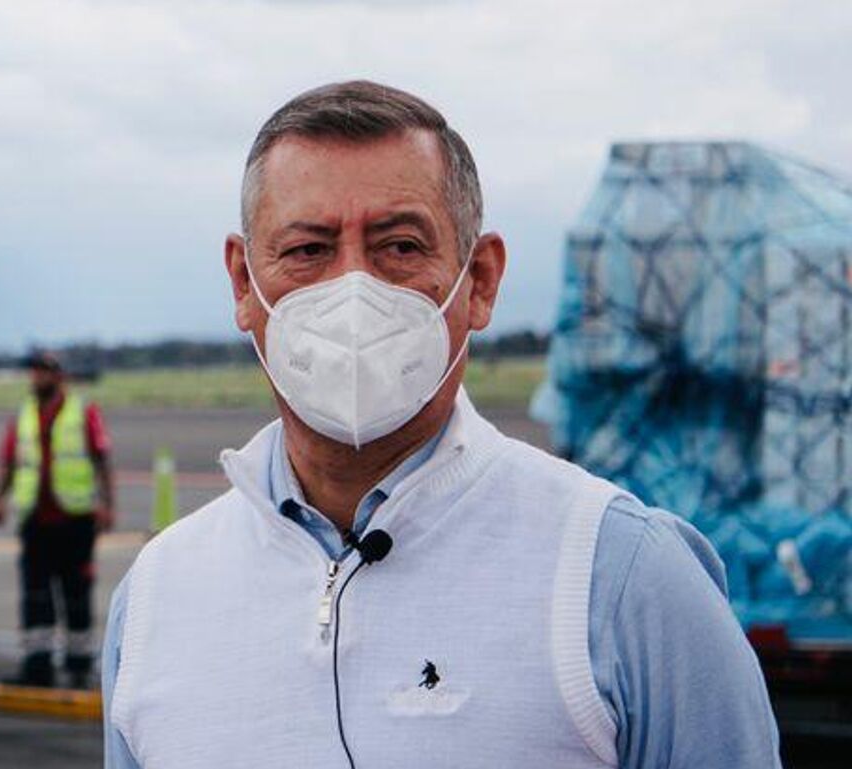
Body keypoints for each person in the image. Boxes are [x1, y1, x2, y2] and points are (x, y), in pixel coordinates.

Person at [102, 81, 779, 768]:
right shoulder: (157, 600)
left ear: (479, 279)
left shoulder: (622, 577)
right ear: (245, 285)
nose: (353, 289)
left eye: (399, 245)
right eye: (308, 250)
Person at [0, 350, 116, 689]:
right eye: (32, 372)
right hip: (35, 518)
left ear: (57, 376)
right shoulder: (23, 416)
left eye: (42, 372)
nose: (35, 378)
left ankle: (78, 666)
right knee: (35, 595)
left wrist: (107, 504)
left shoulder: (82, 412)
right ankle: (37, 665)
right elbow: (10, 462)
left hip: (74, 518)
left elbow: (101, 460)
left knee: (76, 593)